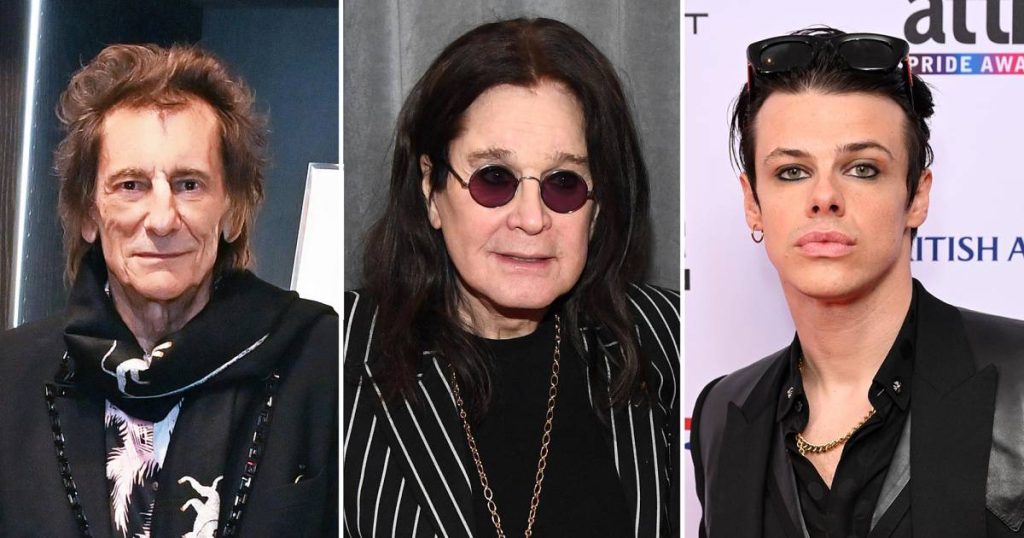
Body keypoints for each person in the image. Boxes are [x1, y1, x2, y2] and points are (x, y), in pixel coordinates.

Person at [343, 18, 680, 538]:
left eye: (564, 184)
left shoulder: (666, 336)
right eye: (494, 179)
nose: (530, 218)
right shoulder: (340, 350)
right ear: (431, 189)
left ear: (596, 208)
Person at [690, 28, 1024, 538]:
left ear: (916, 197)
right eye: (791, 171)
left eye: (862, 168)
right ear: (752, 203)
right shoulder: (722, 415)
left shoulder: (1019, 384)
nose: (824, 196)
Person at [0, 44, 338, 537]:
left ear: (232, 210)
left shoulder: (322, 360)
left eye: (188, 185)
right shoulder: (11, 378)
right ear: (90, 213)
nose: (162, 220)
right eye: (131, 185)